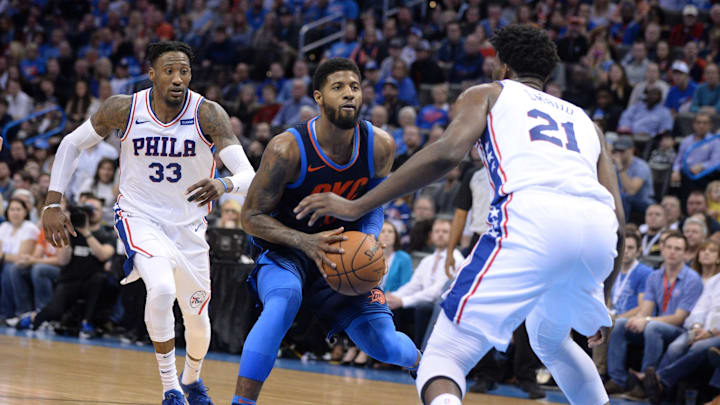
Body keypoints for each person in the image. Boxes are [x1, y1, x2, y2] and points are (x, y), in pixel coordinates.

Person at [294, 25, 625, 405]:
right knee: (550, 340)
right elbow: (617, 212)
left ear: (501, 66)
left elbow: (446, 154)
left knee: (442, 358)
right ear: (547, 74)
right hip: (598, 233)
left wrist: (357, 204)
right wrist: (603, 296)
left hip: (536, 220)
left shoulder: (488, 93)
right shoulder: (586, 122)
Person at [40, 41, 255, 405]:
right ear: (152, 73)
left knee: (199, 323)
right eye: (169, 70)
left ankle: (192, 380)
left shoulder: (208, 114)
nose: (177, 79)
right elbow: (71, 144)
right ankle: (170, 388)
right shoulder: (124, 108)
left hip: (189, 229)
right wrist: (52, 200)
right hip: (139, 217)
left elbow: (248, 173)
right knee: (161, 290)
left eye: (184, 71)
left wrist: (224, 183)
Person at [233, 58, 420, 405]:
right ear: (318, 97)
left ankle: (425, 368)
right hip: (288, 251)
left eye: (355, 87)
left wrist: (369, 238)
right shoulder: (286, 149)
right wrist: (306, 241)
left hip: (342, 254)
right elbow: (251, 217)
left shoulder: (379, 145)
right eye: (338, 87)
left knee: (385, 344)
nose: (349, 94)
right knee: (283, 301)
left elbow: (374, 204)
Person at [605, 232, 704, 396]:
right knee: (621, 324)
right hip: (657, 322)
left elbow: (680, 318)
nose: (672, 252)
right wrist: (638, 318)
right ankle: (618, 379)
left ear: (686, 254)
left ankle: (646, 383)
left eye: (678, 249)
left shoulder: (692, 279)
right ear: (663, 250)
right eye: (669, 247)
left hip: (680, 329)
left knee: (652, 327)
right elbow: (647, 308)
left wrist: (647, 319)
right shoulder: (655, 276)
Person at [593, 232, 653, 377]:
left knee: (607, 323)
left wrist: (618, 316)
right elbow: (607, 297)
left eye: (631, 248)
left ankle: (600, 373)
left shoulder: (645, 272)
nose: (625, 251)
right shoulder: (613, 269)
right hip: (614, 314)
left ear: (638, 251)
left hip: (631, 318)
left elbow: (642, 307)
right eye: (623, 247)